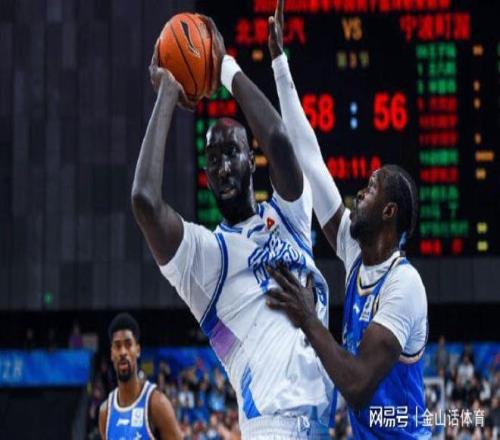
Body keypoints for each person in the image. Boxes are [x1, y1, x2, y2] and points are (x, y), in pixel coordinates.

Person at [132, 16, 334, 439]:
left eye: (232, 153)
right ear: (206, 176)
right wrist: (167, 92)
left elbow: (279, 141)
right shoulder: (207, 259)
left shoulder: (291, 219)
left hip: (321, 427)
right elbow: (145, 202)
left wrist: (224, 66)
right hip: (271, 428)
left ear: (252, 160)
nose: (223, 167)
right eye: (213, 160)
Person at [264, 1, 430, 438]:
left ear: (390, 212)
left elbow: (356, 386)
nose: (360, 192)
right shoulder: (357, 252)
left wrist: (308, 318)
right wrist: (280, 64)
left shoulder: (404, 286)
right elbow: (310, 158)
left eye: (372, 188)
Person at [99, 313, 181, 440]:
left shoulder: (157, 404)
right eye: (118, 346)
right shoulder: (105, 412)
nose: (123, 352)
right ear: (111, 353)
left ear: (137, 350)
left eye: (128, 344)